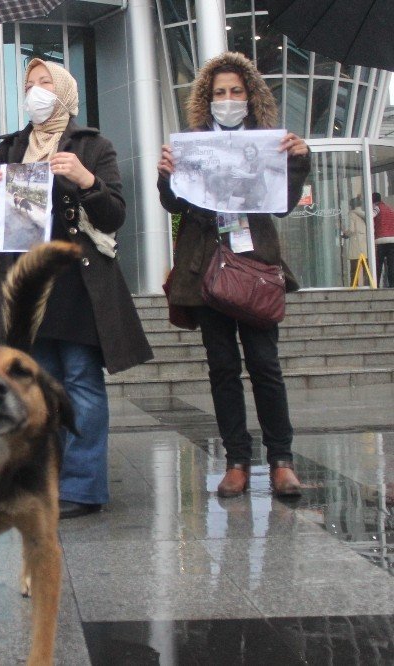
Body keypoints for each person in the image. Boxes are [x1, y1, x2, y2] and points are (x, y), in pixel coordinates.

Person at [0, 59, 153, 519]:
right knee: (34, 385)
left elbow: (114, 213)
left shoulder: (93, 146)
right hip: (23, 281)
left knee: (80, 381)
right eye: (29, 84)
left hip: (74, 280)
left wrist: (85, 180)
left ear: (66, 94)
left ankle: (83, 485)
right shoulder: (10, 146)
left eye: (45, 83)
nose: (36, 91)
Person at [157, 52, 310, 498]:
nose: (228, 100)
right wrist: (168, 175)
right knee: (222, 368)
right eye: (220, 92)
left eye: (236, 92)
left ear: (250, 96)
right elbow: (174, 205)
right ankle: (237, 461)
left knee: (265, 365)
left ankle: (281, 460)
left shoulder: (269, 142)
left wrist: (298, 160)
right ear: (208, 99)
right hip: (207, 270)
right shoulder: (194, 142)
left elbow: (281, 204)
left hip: (256, 267)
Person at [344, 196, 368, 286]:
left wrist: (345, 234)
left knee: (354, 268)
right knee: (367, 268)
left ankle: (354, 285)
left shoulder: (352, 214)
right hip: (365, 245)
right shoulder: (365, 214)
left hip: (356, 244)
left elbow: (351, 229)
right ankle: (367, 285)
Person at [373, 192, 394, 288]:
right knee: (391, 264)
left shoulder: (377, 208)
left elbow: (371, 216)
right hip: (392, 239)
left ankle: (375, 284)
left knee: (378, 264)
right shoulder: (390, 209)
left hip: (381, 239)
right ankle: (392, 285)